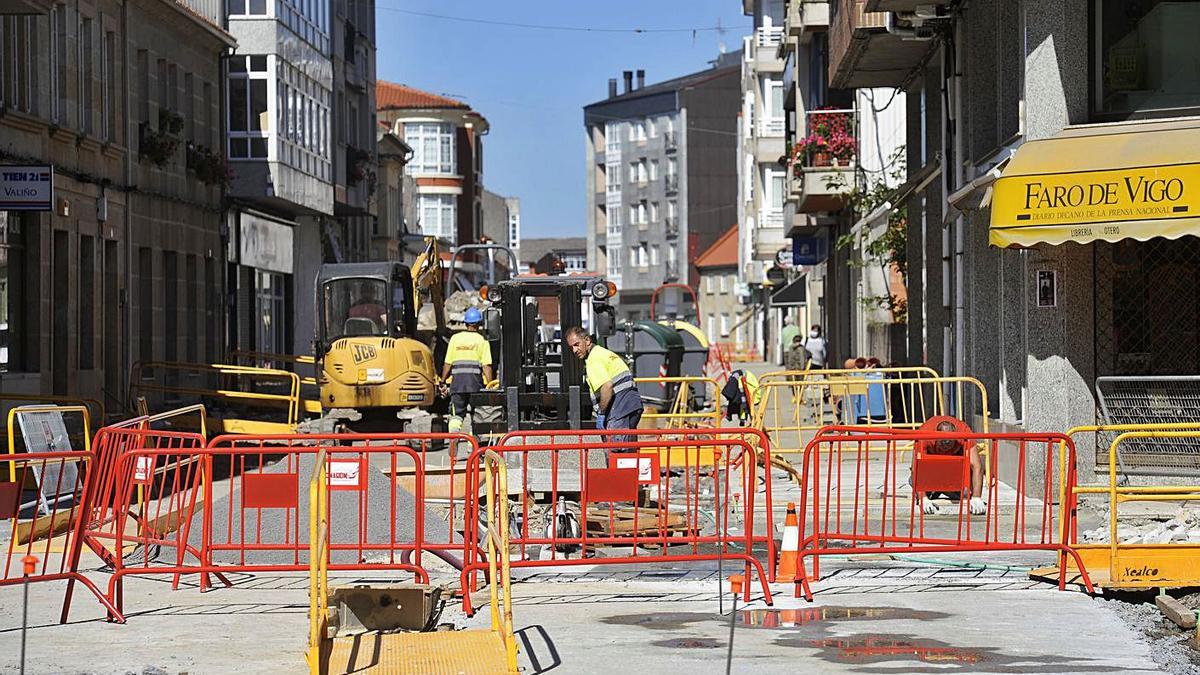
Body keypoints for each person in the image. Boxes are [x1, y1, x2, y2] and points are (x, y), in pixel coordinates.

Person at [565, 326, 644, 450]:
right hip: (633, 405)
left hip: (619, 409)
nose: (575, 350)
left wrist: (601, 414)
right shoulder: (604, 353)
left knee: (616, 454)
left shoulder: (593, 360)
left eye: (577, 344)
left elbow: (607, 386)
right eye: (571, 348)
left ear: (587, 341)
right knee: (629, 453)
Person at [440, 307, 493, 435]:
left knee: (456, 414)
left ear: (466, 323)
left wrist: (442, 380)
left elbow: (448, 363)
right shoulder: (482, 340)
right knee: (477, 414)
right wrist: (491, 385)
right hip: (475, 384)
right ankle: (472, 446)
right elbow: (486, 366)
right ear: (479, 324)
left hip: (457, 384)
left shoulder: (455, 339)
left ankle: (454, 434)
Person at [920, 418, 986, 516]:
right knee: (915, 483)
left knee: (965, 494)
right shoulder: (924, 434)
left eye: (948, 446)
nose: (945, 450)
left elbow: (976, 466)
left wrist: (977, 497)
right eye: (942, 446)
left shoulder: (964, 432)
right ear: (936, 439)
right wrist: (923, 498)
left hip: (954, 468)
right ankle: (936, 488)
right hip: (932, 468)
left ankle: (943, 488)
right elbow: (916, 468)